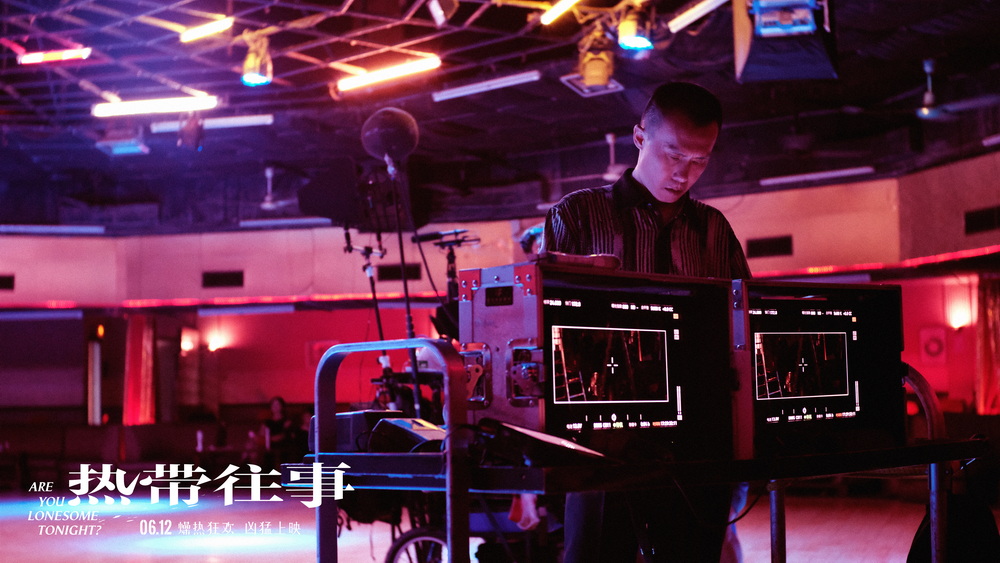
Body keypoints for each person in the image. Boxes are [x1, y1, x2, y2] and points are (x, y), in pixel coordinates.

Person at [541, 82, 751, 562]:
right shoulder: (579, 214)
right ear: (639, 137)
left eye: (700, 160)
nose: (683, 173)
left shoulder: (714, 229)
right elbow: (550, 327)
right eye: (673, 154)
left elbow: (742, 324)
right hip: (603, 436)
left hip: (699, 437)